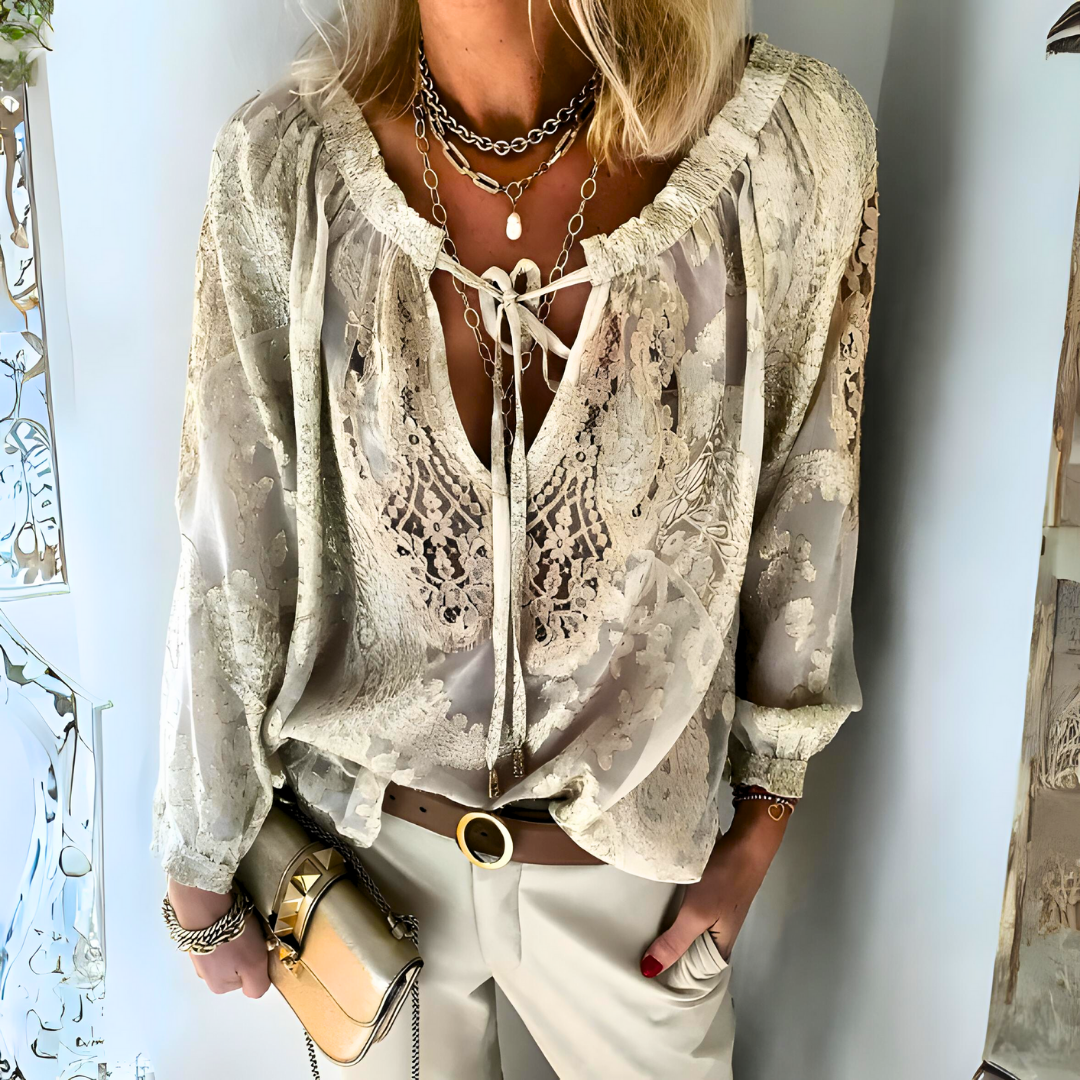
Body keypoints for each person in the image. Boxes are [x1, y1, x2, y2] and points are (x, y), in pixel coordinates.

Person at [151, 0, 878, 1076]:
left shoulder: (780, 149)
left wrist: (763, 820)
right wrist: (199, 854)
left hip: (629, 891)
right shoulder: (285, 171)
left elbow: (807, 500)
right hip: (369, 878)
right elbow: (231, 544)